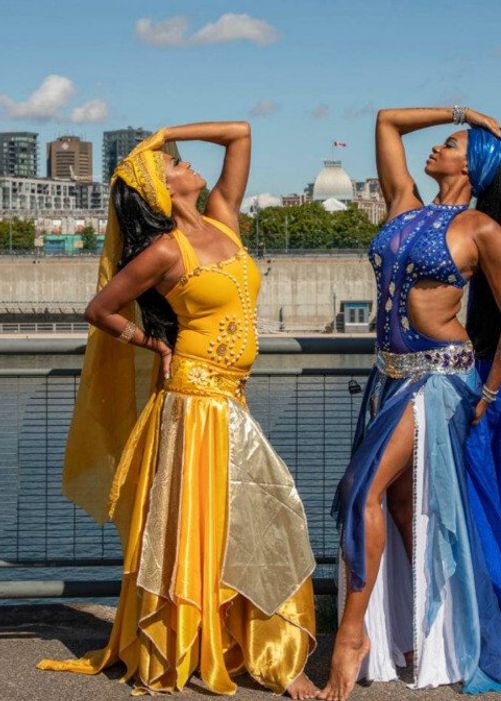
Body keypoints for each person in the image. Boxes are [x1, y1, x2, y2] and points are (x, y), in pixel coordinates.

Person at [322, 105, 501, 700]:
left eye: (451, 144)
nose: (437, 150)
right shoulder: (404, 204)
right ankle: (419, 633)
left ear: (472, 165)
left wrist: (492, 388)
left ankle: (351, 636)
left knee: (361, 490)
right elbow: (386, 122)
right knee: (404, 510)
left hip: (438, 382)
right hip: (387, 379)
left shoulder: (482, 229)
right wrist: (463, 111)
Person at [37, 124, 319, 698]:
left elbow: (240, 135)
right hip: (194, 400)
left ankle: (252, 647)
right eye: (173, 163)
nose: (185, 163)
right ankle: (228, 650)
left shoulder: (221, 217)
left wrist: (165, 133)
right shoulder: (166, 250)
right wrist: (153, 344)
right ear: (160, 192)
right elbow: (101, 309)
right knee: (229, 517)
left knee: (239, 517)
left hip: (230, 396)